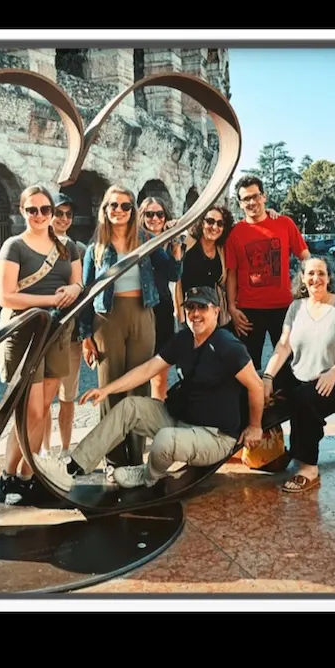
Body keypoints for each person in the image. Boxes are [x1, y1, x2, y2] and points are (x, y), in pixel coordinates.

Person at [33, 286, 264, 492]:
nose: (195, 314)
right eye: (190, 307)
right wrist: (106, 390)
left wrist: (255, 426)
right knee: (129, 407)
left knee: (164, 440)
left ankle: (147, 475)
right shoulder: (183, 339)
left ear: (216, 311)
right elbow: (148, 369)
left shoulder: (228, 346)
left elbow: (256, 384)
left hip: (214, 436)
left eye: (202, 307)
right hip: (180, 421)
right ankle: (72, 468)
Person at [78, 185, 182, 475]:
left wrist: (176, 251)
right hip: (107, 320)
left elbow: (172, 273)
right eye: (114, 205)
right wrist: (85, 336)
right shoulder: (95, 248)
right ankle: (113, 461)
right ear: (105, 209)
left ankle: (135, 458)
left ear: (133, 211)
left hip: (142, 314)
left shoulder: (145, 240)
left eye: (125, 206)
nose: (119, 211)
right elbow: (86, 293)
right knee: (109, 387)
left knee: (138, 387)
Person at [0, 185, 84, 505]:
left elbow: (77, 281)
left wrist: (74, 290)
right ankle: (8, 474)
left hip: (57, 333)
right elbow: (5, 296)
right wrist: (51, 300)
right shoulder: (14, 246)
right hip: (25, 333)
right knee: (29, 410)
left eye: (46, 209)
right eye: (32, 210)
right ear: (22, 211)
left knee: (43, 408)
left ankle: (28, 474)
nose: (40, 215)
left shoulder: (67, 246)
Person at [260, 257, 335, 494]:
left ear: (329, 278)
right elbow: (283, 346)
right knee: (256, 386)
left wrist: (333, 373)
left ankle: (308, 467)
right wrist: (268, 377)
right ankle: (255, 445)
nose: (315, 278)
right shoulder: (296, 308)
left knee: (304, 400)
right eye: (310, 273)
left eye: (321, 273)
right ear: (302, 278)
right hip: (301, 373)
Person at [225, 176, 310, 370]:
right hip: (248, 310)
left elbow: (305, 258)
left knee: (290, 364)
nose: (251, 202)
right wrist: (231, 308)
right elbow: (232, 273)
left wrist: (306, 293)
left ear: (264, 196)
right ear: (240, 203)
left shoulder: (285, 224)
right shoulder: (235, 234)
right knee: (248, 367)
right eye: (246, 198)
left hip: (283, 307)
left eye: (255, 196)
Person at [47, 193, 87, 453]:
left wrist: (87, 335)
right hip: (44, 332)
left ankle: (64, 449)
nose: (63, 219)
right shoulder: (36, 245)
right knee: (42, 396)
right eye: (58, 213)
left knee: (67, 396)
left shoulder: (79, 249)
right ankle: (42, 449)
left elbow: (86, 292)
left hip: (71, 333)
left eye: (68, 214)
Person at [139, 196, 181, 401]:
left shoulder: (170, 240)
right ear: (142, 216)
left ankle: (156, 412)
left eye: (159, 214)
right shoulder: (136, 240)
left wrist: (176, 245)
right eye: (149, 214)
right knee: (139, 368)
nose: (155, 218)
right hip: (140, 306)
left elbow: (174, 274)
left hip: (163, 307)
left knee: (159, 372)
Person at [176, 204, 233, 333]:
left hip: (212, 313)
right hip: (189, 312)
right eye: (210, 221)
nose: (215, 227)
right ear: (201, 222)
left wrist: (268, 211)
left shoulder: (221, 249)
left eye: (220, 223)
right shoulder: (187, 244)